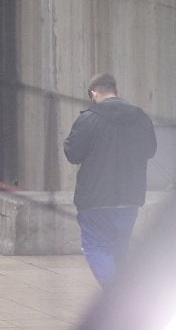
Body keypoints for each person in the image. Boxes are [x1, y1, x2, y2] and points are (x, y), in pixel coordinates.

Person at [63, 72, 157, 286]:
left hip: (95, 199)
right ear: (117, 92)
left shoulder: (88, 119)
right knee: (120, 248)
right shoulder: (139, 117)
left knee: (96, 247)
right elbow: (150, 150)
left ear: (94, 94)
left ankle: (117, 298)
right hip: (129, 197)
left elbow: (73, 153)